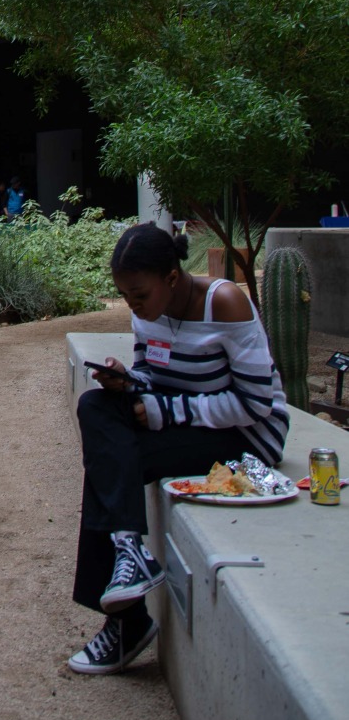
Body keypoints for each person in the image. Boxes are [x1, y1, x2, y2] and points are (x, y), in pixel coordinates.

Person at [68, 221, 289, 676]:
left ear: (172, 278)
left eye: (140, 295)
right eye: (126, 297)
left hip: (244, 438)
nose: (133, 306)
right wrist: (127, 381)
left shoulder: (224, 304)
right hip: (187, 421)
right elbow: (153, 374)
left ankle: (127, 621)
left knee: (110, 468)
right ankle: (130, 548)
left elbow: (255, 404)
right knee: (96, 406)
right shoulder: (148, 309)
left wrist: (166, 413)